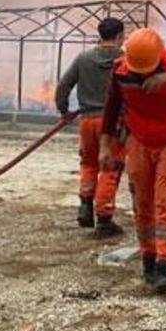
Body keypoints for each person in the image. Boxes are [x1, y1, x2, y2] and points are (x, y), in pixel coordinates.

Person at [100, 27, 166, 293]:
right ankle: (148, 259)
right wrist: (105, 145)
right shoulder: (121, 69)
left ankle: (164, 264)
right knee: (142, 199)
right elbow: (112, 107)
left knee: (165, 198)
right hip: (138, 139)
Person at [54, 17, 126, 237]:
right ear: (120, 36)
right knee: (110, 167)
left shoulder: (84, 58)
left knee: (88, 163)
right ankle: (104, 218)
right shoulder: (126, 60)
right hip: (113, 123)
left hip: (87, 121)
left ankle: (85, 205)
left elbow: (63, 86)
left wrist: (64, 110)